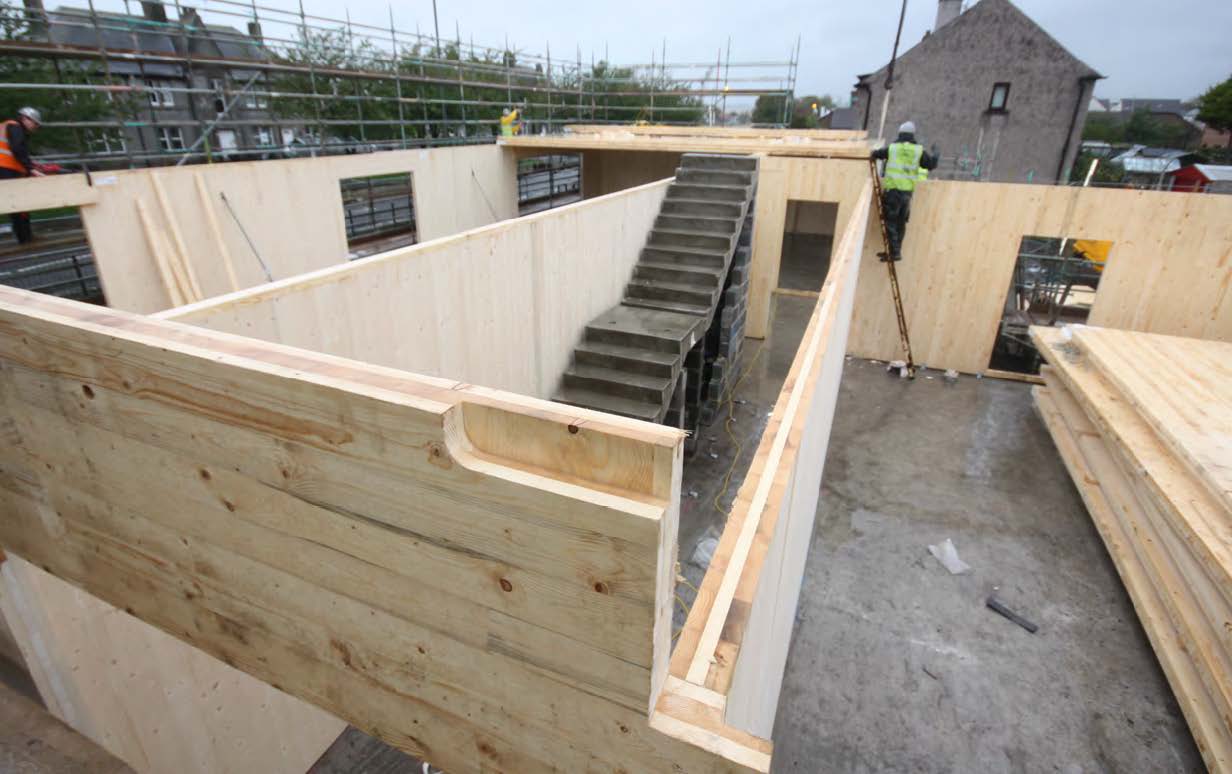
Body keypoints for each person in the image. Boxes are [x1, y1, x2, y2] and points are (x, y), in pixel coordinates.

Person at [872, 120, 937, 262]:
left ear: (900, 134)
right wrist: (936, 154)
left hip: (893, 191)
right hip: (907, 194)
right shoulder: (918, 151)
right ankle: (895, 252)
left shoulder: (893, 148)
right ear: (912, 135)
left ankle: (894, 252)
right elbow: (930, 164)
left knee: (889, 222)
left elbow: (876, 154)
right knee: (900, 224)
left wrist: (873, 153)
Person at [0, 107, 45, 244]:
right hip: (7, 168)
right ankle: (25, 238)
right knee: (18, 203)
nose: (35, 127)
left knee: (15, 203)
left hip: (6, 168)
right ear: (25, 118)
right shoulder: (15, 127)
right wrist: (30, 168)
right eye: (35, 123)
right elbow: (18, 148)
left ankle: (26, 236)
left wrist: (29, 165)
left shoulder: (7, 126)